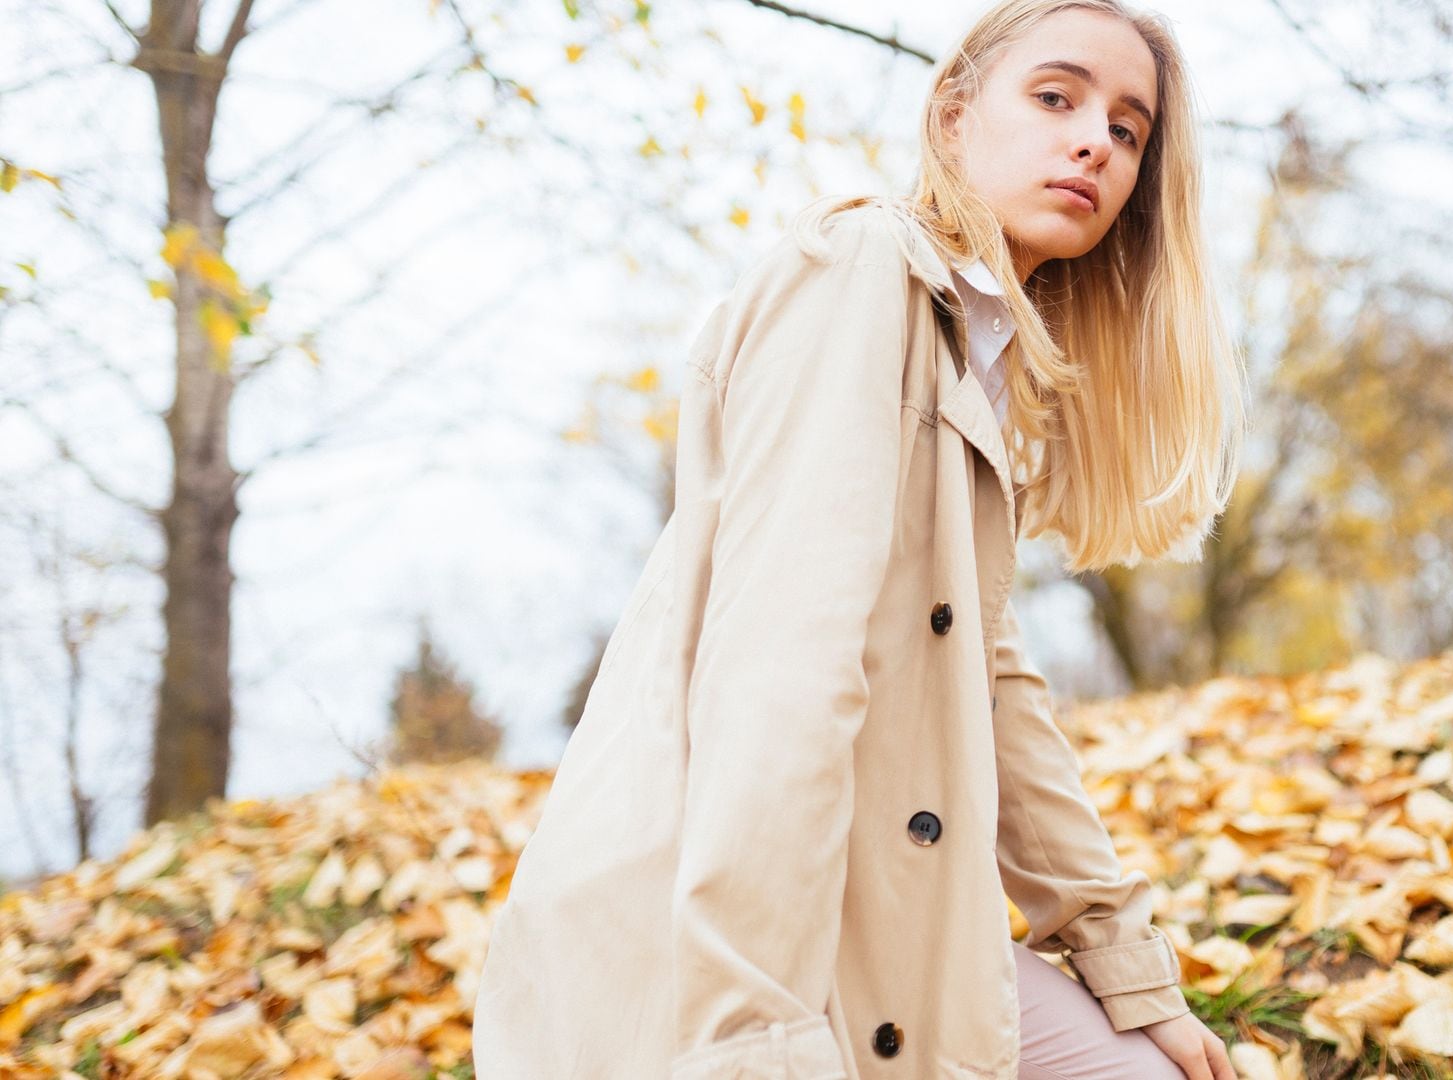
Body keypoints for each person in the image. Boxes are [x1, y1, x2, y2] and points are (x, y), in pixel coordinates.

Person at [471, 1, 1247, 1076]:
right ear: (955, 113)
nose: (1093, 143)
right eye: (1057, 97)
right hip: (722, 940)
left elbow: (995, 692)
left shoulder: (972, 362)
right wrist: (753, 1032)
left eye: (1128, 129)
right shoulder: (860, 269)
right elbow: (778, 665)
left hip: (881, 918)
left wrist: (1128, 971)